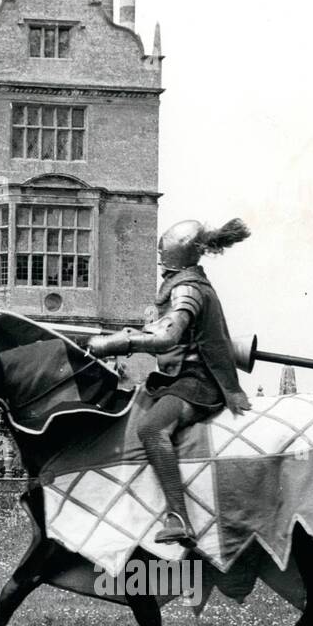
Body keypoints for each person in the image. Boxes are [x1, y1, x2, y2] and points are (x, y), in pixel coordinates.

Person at [88, 218, 252, 547]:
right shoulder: (186, 284)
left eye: (163, 250)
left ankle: (178, 518)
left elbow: (167, 336)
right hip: (173, 379)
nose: (160, 255)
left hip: (196, 382)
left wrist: (117, 343)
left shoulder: (187, 288)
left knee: (151, 428)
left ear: (172, 255)